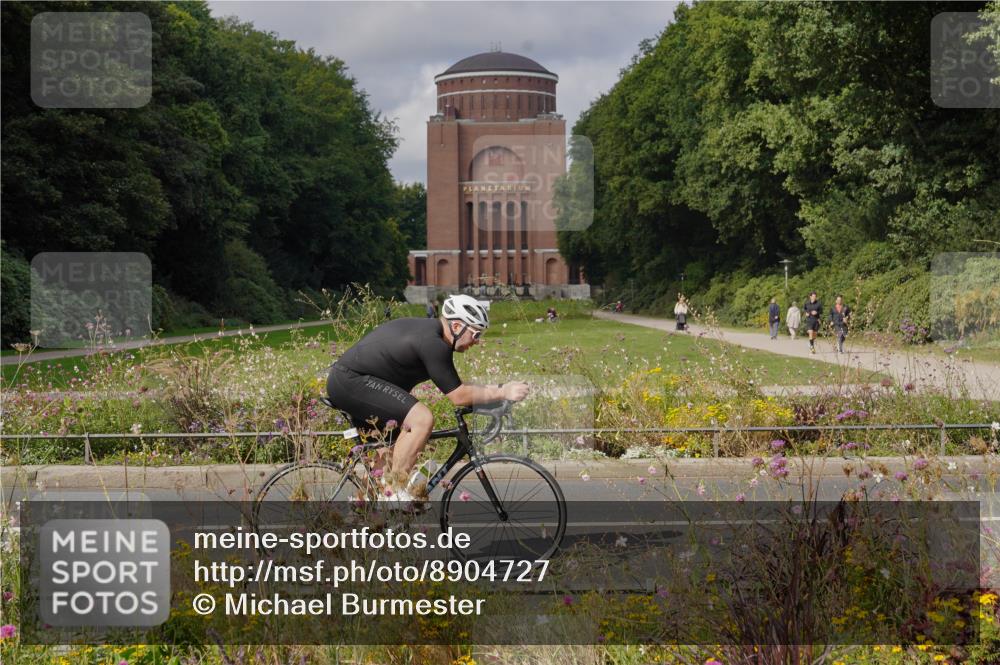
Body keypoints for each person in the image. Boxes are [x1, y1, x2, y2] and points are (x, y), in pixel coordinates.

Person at [326, 294, 529, 503]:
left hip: (354, 382)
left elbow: (457, 385)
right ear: (458, 326)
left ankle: (369, 513)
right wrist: (503, 391)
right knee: (421, 419)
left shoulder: (432, 336)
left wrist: (496, 393)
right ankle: (393, 493)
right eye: (476, 334)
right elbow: (459, 396)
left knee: (385, 466)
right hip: (350, 381)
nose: (477, 342)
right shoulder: (432, 343)